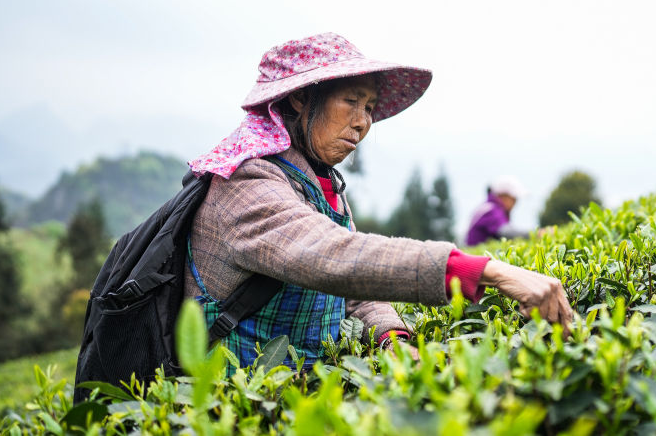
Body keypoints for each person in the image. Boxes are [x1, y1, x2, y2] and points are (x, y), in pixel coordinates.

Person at [186, 33, 572, 369]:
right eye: (351, 101)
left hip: (300, 395)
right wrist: (489, 271)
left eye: (369, 107)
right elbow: (331, 255)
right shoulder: (244, 181)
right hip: (230, 399)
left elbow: (354, 291)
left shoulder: (323, 187)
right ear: (301, 99)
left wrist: (392, 339)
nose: (362, 122)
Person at [465, 176, 531, 246]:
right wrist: (534, 234)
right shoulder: (492, 211)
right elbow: (505, 232)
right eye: (514, 199)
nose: (515, 203)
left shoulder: (488, 207)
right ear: (503, 196)